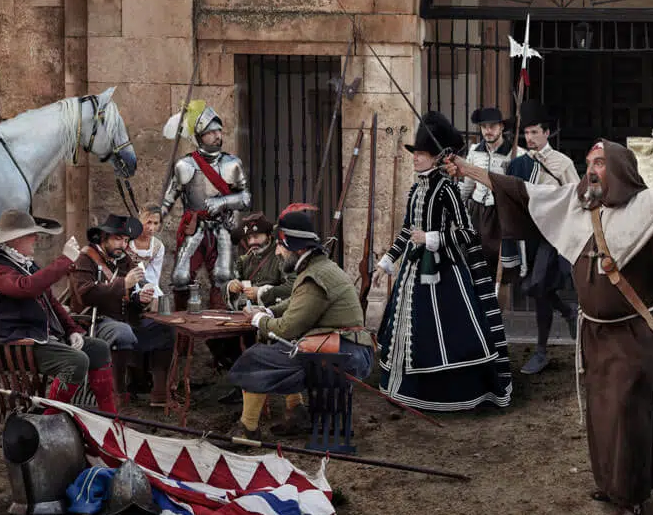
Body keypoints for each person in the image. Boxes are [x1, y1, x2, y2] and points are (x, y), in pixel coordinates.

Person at [448, 138, 653, 515]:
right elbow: (520, 192)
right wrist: (468, 168)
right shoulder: (577, 205)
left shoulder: (651, 209)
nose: (591, 170)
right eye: (588, 163)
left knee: (627, 412)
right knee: (601, 411)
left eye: (599, 163)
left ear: (619, 169)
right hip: (594, 331)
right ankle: (612, 483)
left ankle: (630, 502)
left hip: (633, 333)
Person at [372, 112, 513, 411]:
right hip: (412, 270)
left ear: (436, 157)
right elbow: (408, 231)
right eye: (415, 154)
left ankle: (441, 393)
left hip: (444, 271)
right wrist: (386, 262)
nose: (415, 159)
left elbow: (466, 232)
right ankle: (402, 386)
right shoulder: (416, 189)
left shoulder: (447, 189)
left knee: (442, 334)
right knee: (406, 327)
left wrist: (432, 238)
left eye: (421, 155)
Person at [228, 207, 369, 439]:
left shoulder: (314, 277)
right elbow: (297, 301)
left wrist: (259, 320)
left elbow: (288, 328)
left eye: (281, 247)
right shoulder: (320, 268)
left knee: (256, 358)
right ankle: (297, 415)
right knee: (278, 352)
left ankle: (247, 429)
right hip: (345, 348)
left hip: (343, 355)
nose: (278, 252)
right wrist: (268, 311)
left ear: (297, 247)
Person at [0, 209, 120, 412]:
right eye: (31, 234)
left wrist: (72, 330)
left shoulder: (27, 265)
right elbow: (25, 287)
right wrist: (65, 260)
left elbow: (52, 302)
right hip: (10, 344)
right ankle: (49, 416)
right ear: (15, 239)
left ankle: (108, 418)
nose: (36, 238)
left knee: (98, 349)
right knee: (75, 361)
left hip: (34, 340)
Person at [67, 213, 174, 407]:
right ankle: (117, 394)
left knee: (164, 328)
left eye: (125, 240)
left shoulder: (123, 260)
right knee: (122, 332)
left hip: (124, 318)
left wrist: (139, 299)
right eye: (118, 239)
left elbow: (127, 298)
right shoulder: (84, 259)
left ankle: (159, 394)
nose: (123, 245)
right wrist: (123, 282)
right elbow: (85, 294)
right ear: (103, 238)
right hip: (94, 322)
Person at [506, 101, 579, 375]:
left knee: (536, 286)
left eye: (535, 132)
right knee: (539, 292)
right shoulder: (518, 164)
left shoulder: (563, 163)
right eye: (526, 133)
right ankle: (546, 344)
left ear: (547, 133)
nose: (530, 137)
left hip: (554, 235)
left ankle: (542, 347)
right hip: (529, 238)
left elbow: (576, 199)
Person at [160, 102, 251, 308]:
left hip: (222, 227)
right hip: (194, 228)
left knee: (223, 277)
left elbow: (245, 199)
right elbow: (169, 197)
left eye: (219, 131)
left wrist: (223, 201)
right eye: (211, 132)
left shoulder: (232, 163)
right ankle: (184, 332)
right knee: (180, 278)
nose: (218, 135)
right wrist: (157, 216)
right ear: (200, 136)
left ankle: (219, 332)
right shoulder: (184, 165)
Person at [460, 106, 518, 292]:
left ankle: (497, 311)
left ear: (501, 127)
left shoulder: (515, 153)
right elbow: (468, 186)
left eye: (492, 126)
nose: (488, 131)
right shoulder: (474, 152)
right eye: (484, 126)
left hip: (499, 215)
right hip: (477, 212)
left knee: (500, 270)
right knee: (475, 264)